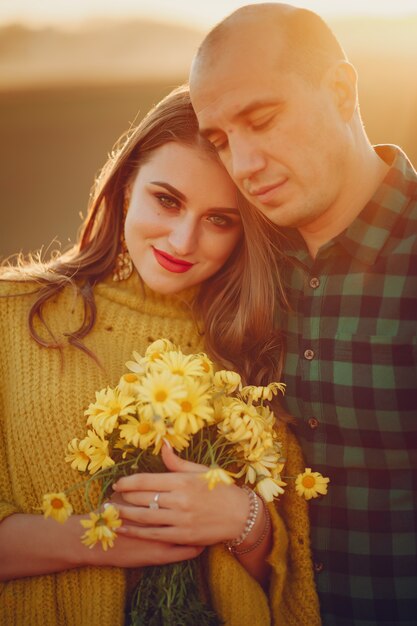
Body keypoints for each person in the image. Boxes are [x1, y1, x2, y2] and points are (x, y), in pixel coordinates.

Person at [0, 85, 321, 626]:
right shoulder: (12, 314)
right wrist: (98, 539)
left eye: (220, 219)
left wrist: (245, 520)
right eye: (166, 200)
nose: (182, 240)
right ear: (126, 187)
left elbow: (290, 580)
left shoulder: (256, 345)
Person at [189, 3, 417, 625]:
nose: (243, 165)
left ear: (341, 91)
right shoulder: (229, 264)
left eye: (261, 121)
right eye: (221, 141)